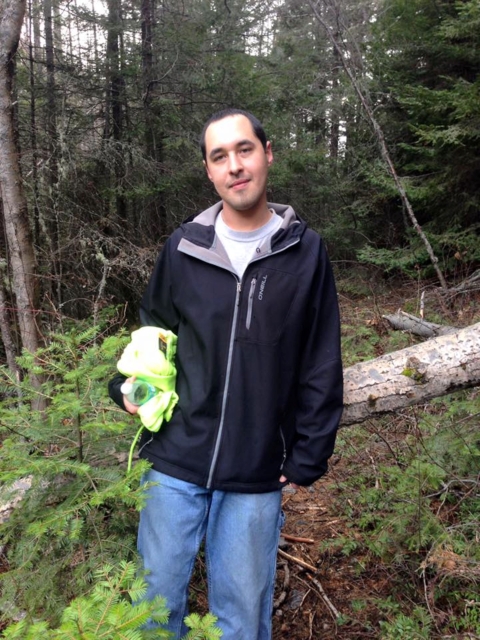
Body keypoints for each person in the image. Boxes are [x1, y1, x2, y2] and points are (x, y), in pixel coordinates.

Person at [108, 108, 343, 640]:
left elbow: (321, 357)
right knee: (151, 613)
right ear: (210, 172)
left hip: (256, 468)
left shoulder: (304, 253)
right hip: (173, 460)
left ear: (266, 155)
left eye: (244, 150)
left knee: (239, 621)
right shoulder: (184, 247)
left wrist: (310, 453)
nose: (234, 165)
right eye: (220, 157)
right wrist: (129, 386)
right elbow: (153, 332)